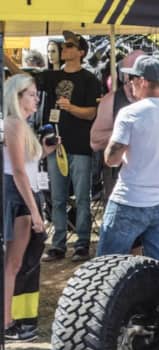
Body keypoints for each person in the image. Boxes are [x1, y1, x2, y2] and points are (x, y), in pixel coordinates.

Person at [97, 55, 159, 263]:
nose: (130, 84)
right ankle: (154, 297)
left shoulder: (130, 113)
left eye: (133, 79)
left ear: (143, 81)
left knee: (105, 266)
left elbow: (111, 159)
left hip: (129, 200)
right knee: (158, 270)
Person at [2, 74, 57, 350]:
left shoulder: (20, 125)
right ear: (18, 95)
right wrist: (35, 212)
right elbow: (20, 172)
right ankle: (7, 321)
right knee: (12, 263)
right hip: (18, 196)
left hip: (26, 194)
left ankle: (10, 319)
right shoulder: (12, 124)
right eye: (32, 94)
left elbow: (28, 165)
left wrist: (46, 149)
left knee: (17, 262)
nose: (36, 99)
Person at [40, 31, 101, 263]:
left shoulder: (90, 80)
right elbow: (23, 77)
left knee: (82, 198)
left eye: (69, 46)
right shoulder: (53, 77)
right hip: (55, 146)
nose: (63, 48)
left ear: (81, 52)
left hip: (80, 147)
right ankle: (58, 245)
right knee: (57, 198)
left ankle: (82, 244)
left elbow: (92, 113)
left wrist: (70, 107)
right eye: (63, 45)